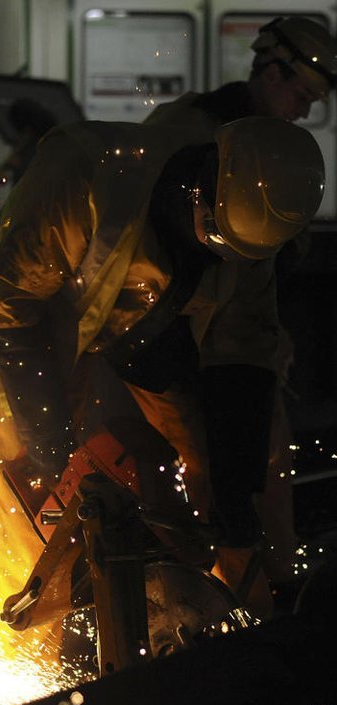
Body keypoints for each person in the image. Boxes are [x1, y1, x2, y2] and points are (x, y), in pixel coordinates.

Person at [0, 115, 325, 670]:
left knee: (212, 478)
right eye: (217, 240)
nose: (222, 259)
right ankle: (24, 671)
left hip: (146, 327)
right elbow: (10, 303)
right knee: (37, 504)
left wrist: (233, 493)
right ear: (200, 186)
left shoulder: (249, 236)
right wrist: (52, 449)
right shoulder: (88, 173)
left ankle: (237, 633)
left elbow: (242, 361)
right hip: (32, 334)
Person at [143, 15, 337, 596]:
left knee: (260, 469)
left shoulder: (271, 152)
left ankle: (265, 595)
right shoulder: (187, 132)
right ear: (270, 70)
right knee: (194, 476)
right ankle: (213, 598)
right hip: (166, 339)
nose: (303, 110)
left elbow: (260, 276)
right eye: (301, 95)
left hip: (237, 340)